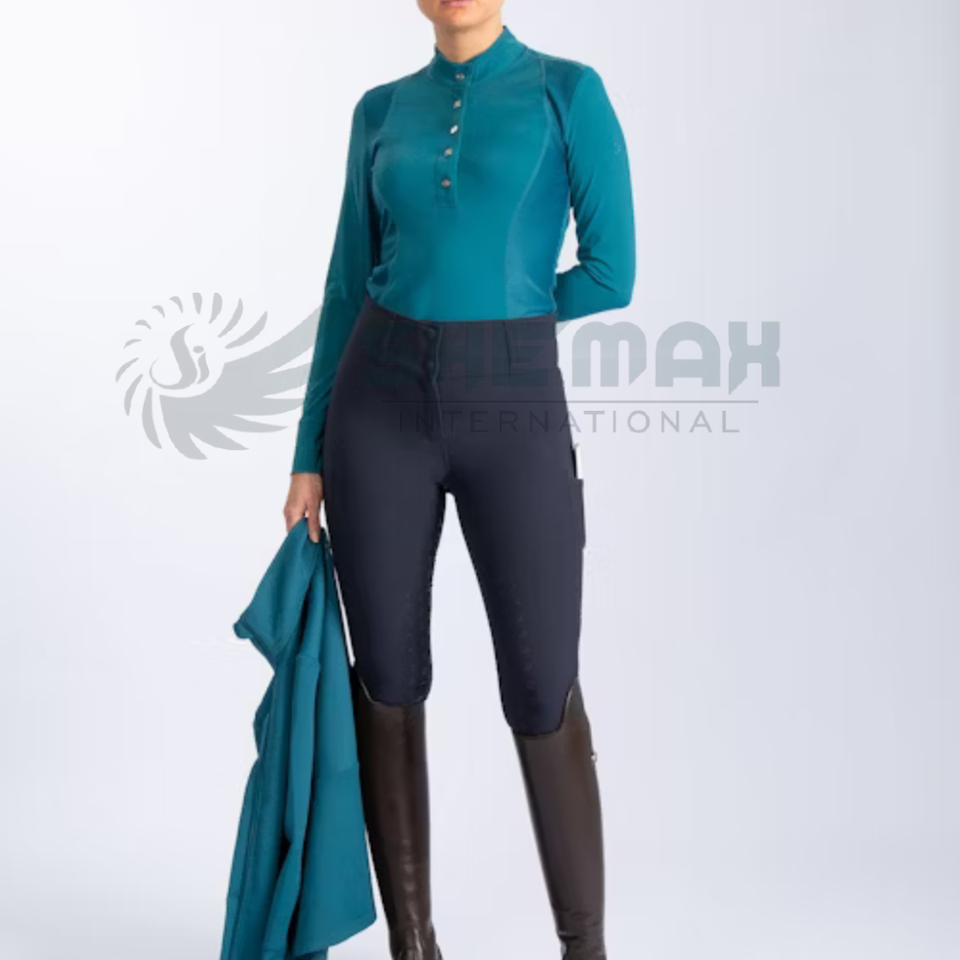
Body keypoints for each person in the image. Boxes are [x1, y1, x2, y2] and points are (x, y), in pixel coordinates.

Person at [283, 2, 635, 958]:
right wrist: (308, 450)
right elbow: (347, 285)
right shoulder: (379, 110)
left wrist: (505, 323)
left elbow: (613, 272)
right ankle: (414, 947)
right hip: (375, 408)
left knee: (542, 682)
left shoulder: (568, 93)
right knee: (388, 678)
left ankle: (585, 951)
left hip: (512, 405)